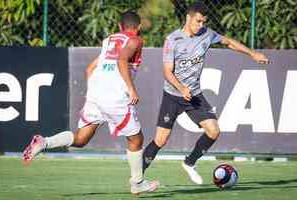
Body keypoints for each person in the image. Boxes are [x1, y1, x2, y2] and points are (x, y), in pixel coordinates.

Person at [22, 11, 160, 195]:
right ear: (139, 27)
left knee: (81, 139)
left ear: (119, 26)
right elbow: (121, 60)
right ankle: (137, 183)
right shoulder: (135, 40)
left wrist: (93, 94)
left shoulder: (109, 40)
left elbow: (90, 69)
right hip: (115, 96)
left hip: (96, 94)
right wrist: (131, 88)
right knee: (136, 139)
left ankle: (44, 142)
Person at [142, 1, 270, 184]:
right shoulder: (173, 40)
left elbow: (228, 42)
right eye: (198, 21)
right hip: (173, 95)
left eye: (204, 22)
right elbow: (166, 72)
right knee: (160, 140)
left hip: (194, 95)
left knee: (213, 131)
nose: (201, 25)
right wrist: (181, 88)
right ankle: (138, 177)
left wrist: (252, 53)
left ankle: (189, 162)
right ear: (188, 18)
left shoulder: (206, 34)